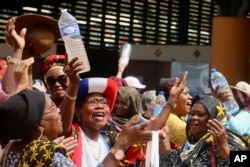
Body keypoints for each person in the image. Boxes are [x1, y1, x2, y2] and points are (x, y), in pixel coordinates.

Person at [160, 94, 248, 166]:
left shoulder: (228, 142)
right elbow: (169, 163)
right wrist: (165, 139)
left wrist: (223, 148)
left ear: (214, 118)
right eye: (192, 114)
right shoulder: (189, 147)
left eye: (201, 114)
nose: (194, 118)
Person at [0, 90, 75, 166]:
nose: (59, 110)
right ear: (39, 124)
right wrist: (51, 154)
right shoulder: (53, 158)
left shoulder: (9, 151)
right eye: (53, 109)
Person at [156, 77, 193, 149]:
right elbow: (196, 140)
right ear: (173, 98)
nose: (190, 97)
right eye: (185, 93)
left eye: (189, 93)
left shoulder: (181, 118)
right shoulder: (168, 119)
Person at [214, 81, 250, 146]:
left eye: (235, 95)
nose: (231, 97)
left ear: (242, 98)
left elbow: (238, 130)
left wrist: (225, 109)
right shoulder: (235, 112)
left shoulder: (247, 114)